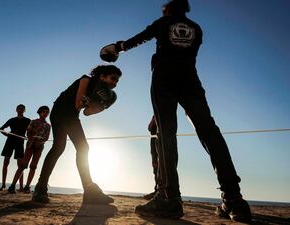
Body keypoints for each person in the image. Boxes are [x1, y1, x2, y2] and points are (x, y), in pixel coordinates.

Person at [100, 0, 251, 222]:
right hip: (190, 79)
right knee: (209, 131)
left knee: (166, 134)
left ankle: (169, 199)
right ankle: (234, 200)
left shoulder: (164, 22)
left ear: (168, 9)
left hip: (164, 77)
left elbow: (142, 37)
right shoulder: (197, 29)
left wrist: (118, 47)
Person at [32, 65, 121, 205]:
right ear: (102, 76)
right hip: (61, 110)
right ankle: (87, 190)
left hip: (70, 115)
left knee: (65, 148)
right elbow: (78, 104)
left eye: (117, 81)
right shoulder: (86, 79)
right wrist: (89, 99)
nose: (115, 83)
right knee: (72, 147)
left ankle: (41, 187)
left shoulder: (101, 91)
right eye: (113, 78)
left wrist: (102, 106)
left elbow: (87, 112)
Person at [8, 105, 51, 194]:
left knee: (33, 166)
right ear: (40, 112)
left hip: (39, 146)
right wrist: (33, 139)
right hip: (31, 144)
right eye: (44, 111)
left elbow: (46, 137)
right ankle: (12, 185)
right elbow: (28, 132)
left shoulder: (48, 125)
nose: (45, 113)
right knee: (23, 165)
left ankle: (27, 186)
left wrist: (40, 142)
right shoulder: (33, 121)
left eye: (47, 112)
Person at [0, 104, 31, 191]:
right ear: (16, 110)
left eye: (22, 109)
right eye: (19, 108)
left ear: (24, 110)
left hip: (20, 142)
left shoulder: (28, 120)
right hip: (10, 141)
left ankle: (20, 187)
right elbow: (1, 129)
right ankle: (3, 185)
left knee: (20, 165)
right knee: (6, 162)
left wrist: (29, 137)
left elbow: (31, 131)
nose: (20, 110)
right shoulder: (12, 120)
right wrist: (8, 135)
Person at [143, 116, 161, 200]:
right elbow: (149, 128)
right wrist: (154, 117)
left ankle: (161, 191)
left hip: (161, 146)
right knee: (155, 169)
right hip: (153, 148)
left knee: (162, 168)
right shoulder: (155, 115)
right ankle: (156, 190)